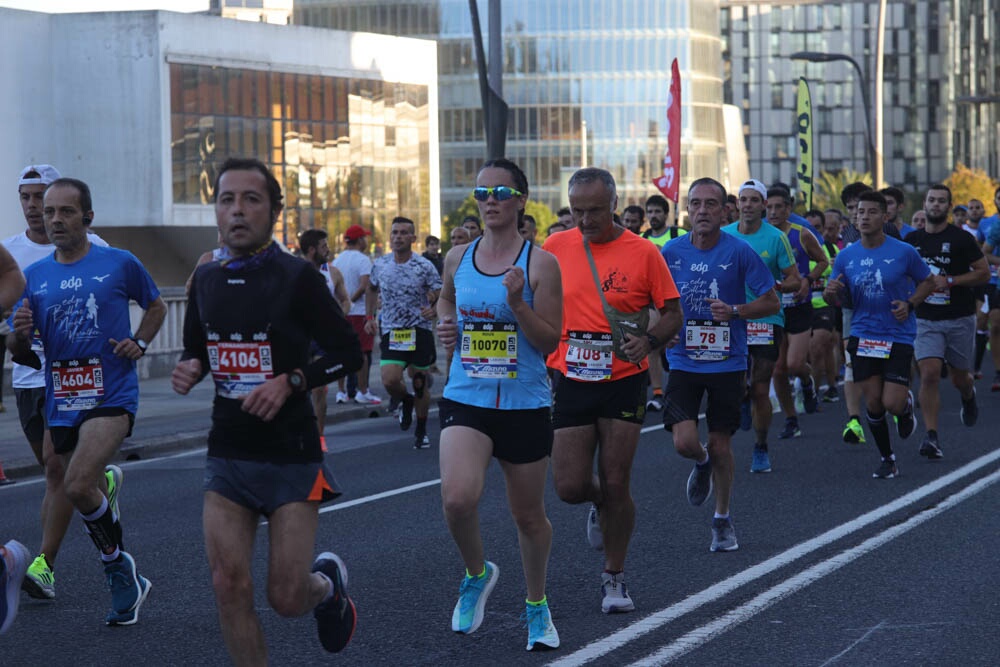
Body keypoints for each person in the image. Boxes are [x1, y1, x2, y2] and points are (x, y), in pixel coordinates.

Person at [171, 157, 362, 661]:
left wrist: (293, 380)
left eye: (250, 200)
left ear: (274, 212)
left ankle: (326, 587)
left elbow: (347, 352)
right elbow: (197, 349)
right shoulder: (206, 279)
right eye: (226, 200)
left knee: (285, 598)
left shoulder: (297, 277)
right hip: (228, 453)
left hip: (291, 457)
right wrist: (191, 367)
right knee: (228, 586)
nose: (237, 210)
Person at [8, 176, 166, 625]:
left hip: (112, 391)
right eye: (48, 211)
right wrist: (17, 338)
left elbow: (156, 307)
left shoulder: (119, 263)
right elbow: (23, 352)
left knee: (77, 484)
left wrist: (140, 343)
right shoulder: (33, 278)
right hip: (61, 396)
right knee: (71, 481)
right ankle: (122, 564)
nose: (53, 218)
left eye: (65, 211)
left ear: (88, 218)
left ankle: (116, 569)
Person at [435, 158, 562, 650]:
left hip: (524, 402)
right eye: (482, 192)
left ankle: (536, 605)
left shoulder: (540, 264)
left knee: (528, 516)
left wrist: (518, 303)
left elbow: (550, 341)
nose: (490, 201)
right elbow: (446, 301)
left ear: (520, 201)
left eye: (501, 193)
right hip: (466, 394)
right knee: (457, 498)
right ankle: (476, 573)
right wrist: (446, 324)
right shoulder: (457, 257)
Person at [544, 168, 681, 614]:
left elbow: (672, 313)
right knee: (568, 486)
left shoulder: (643, 253)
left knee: (619, 480)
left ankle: (614, 578)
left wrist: (652, 341)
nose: (584, 220)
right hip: (571, 378)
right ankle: (601, 502)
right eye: (577, 211)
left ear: (615, 205)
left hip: (624, 379)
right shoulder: (554, 247)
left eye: (595, 211)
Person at [2, 164, 115, 600]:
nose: (34, 208)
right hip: (29, 375)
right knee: (63, 474)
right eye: (26, 199)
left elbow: (112, 299)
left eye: (40, 199)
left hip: (77, 376)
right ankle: (104, 485)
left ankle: (44, 564)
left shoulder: (96, 247)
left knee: (56, 469)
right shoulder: (9, 252)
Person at [661, 177, 779, 552]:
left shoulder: (740, 252)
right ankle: (701, 462)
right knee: (684, 442)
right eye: (696, 204)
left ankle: (722, 519)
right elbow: (653, 303)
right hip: (683, 360)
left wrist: (736, 311)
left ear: (724, 210)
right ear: (688, 209)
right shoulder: (670, 252)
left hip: (727, 361)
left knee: (722, 444)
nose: (703, 211)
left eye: (711, 204)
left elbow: (772, 302)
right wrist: (664, 329)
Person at [824, 191, 935, 478]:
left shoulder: (903, 251)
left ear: (884, 216)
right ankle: (888, 458)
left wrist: (910, 304)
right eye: (860, 212)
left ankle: (906, 405)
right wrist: (829, 294)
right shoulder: (846, 256)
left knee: (892, 403)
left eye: (872, 212)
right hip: (863, 334)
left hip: (897, 334)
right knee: (873, 403)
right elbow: (835, 298)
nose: (864, 217)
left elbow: (928, 281)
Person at [904, 184, 989, 458]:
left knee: (959, 378)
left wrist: (950, 281)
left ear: (949, 207)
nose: (936, 205)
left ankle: (968, 396)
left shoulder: (961, 239)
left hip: (959, 318)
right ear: (925, 204)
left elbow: (983, 273)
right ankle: (931, 437)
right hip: (926, 319)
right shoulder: (912, 241)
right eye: (931, 200)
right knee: (928, 374)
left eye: (942, 201)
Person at [722, 179, 800, 473]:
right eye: (744, 199)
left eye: (755, 200)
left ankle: (761, 446)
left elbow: (795, 279)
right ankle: (741, 398)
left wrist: (777, 285)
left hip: (766, 318)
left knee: (760, 386)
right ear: (737, 204)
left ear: (764, 205)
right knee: (736, 383)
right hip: (731, 317)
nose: (748, 205)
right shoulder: (724, 235)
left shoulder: (776, 237)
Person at [366, 216, 442, 448]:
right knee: (390, 380)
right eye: (394, 233)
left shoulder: (423, 266)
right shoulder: (380, 264)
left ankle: (420, 430)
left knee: (419, 381)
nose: (397, 237)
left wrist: (434, 310)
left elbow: (441, 291)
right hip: (392, 331)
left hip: (419, 330)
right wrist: (369, 317)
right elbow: (371, 288)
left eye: (403, 233)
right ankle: (405, 401)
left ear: (413, 238)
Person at [765, 186, 828, 440]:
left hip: (799, 307)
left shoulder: (802, 234)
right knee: (778, 369)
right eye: (769, 207)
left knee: (794, 364)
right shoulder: (762, 236)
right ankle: (791, 419)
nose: (773, 212)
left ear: (788, 209)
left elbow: (823, 261)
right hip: (773, 309)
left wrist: (807, 280)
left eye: (779, 207)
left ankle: (807, 381)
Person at [299, 229, 352, 450]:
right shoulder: (293, 273)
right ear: (311, 250)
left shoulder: (333, 272)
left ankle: (318, 438)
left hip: (322, 338)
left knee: (319, 388)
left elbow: (345, 300)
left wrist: (337, 320)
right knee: (298, 387)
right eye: (324, 246)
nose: (328, 250)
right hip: (299, 338)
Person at [332, 224, 381, 405]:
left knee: (342, 352)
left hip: (341, 313)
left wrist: (343, 304)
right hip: (359, 313)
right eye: (364, 238)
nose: (366, 241)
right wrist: (351, 302)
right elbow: (365, 286)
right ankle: (363, 391)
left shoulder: (337, 260)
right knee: (363, 353)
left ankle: (341, 392)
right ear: (359, 240)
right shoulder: (363, 260)